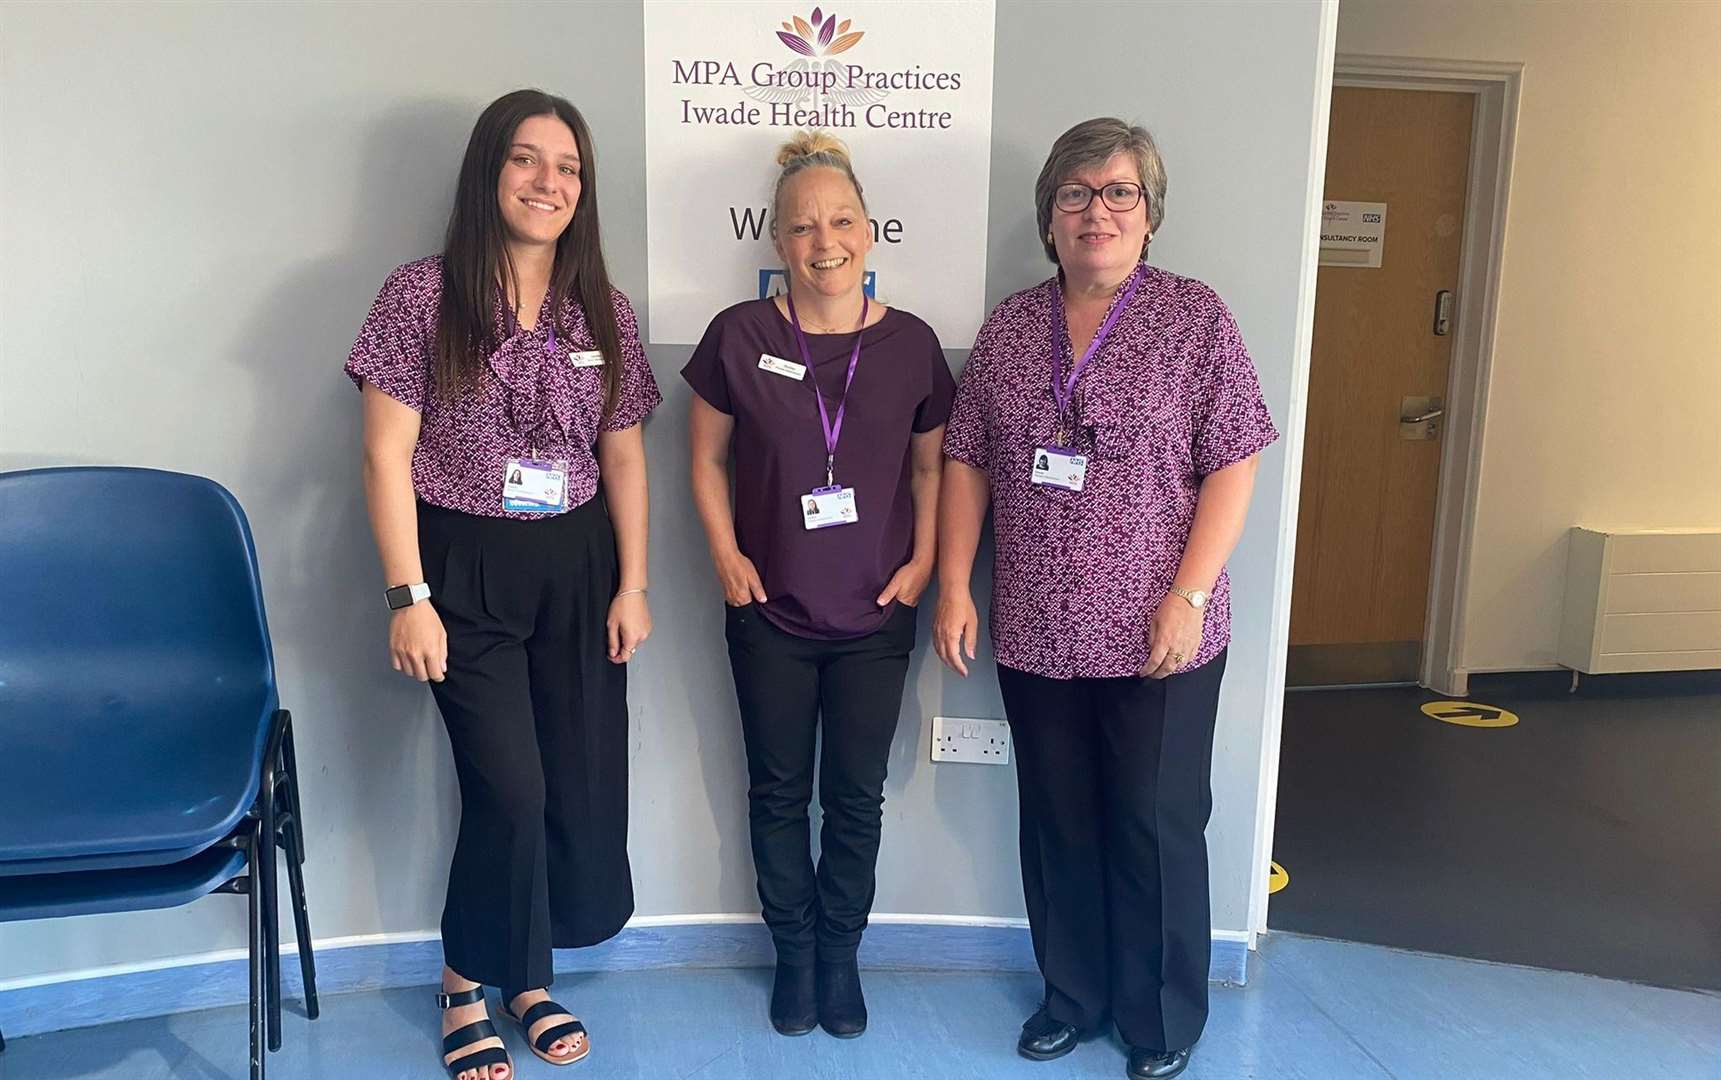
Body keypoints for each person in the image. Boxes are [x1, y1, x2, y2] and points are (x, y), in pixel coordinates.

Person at [934, 118, 1278, 1080]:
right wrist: (955, 584)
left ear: (1149, 212)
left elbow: (1234, 462)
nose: (1097, 210)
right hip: (1037, 627)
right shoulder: (1009, 326)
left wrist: (1189, 594)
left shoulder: (1193, 318)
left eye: (1118, 191)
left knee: (1153, 820)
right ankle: (1071, 996)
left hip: (1158, 630)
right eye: (1076, 193)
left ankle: (1161, 1017)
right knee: (1058, 816)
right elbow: (966, 462)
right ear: (1049, 216)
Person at [346, 88, 660, 1080]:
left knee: (570, 781)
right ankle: (461, 981)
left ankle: (527, 977)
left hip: (576, 565)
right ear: (490, 173)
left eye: (566, 167)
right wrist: (408, 596)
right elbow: (383, 456)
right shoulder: (419, 295)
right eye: (526, 160)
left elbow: (626, 459)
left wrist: (633, 585)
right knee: (508, 789)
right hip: (462, 567)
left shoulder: (599, 307)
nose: (548, 182)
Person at [683, 131, 954, 1039]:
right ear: (776, 240)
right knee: (774, 793)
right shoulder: (738, 336)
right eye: (802, 226)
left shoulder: (913, 346)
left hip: (877, 614)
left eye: (840, 220)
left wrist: (922, 565)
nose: (823, 240)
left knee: (855, 798)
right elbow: (706, 462)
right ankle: (792, 957)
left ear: (870, 232)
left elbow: (931, 474)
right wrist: (724, 553)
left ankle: (840, 956)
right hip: (767, 610)